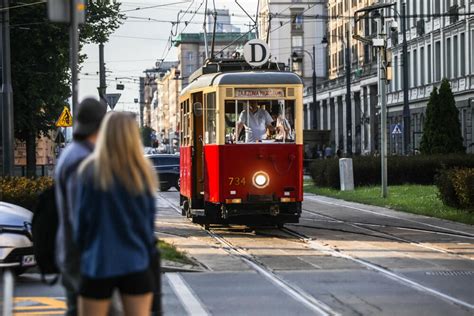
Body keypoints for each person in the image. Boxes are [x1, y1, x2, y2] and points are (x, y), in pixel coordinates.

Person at [73, 112, 158, 316]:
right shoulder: (143, 172)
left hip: (98, 263)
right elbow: (148, 227)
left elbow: (81, 223)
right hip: (136, 263)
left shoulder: (90, 171)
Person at [54, 97, 107, 316]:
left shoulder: (73, 153)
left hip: (73, 253)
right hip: (82, 257)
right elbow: (81, 217)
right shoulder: (81, 161)